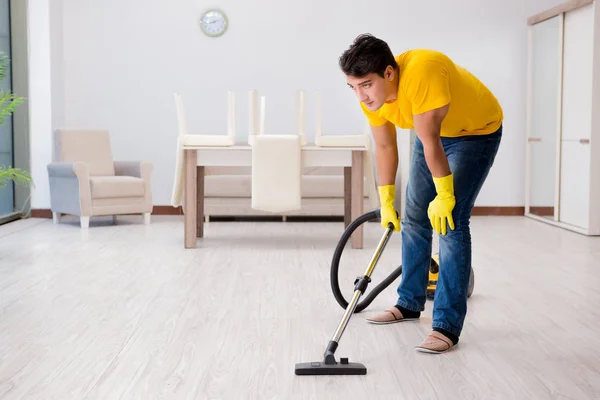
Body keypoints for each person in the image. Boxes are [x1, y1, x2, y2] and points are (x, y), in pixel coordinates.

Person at [339, 34, 503, 354]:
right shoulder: (373, 98)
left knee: (450, 221)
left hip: (475, 134)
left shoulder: (422, 71)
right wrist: (385, 200)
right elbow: (385, 146)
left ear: (389, 72)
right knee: (414, 217)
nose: (360, 95)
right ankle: (409, 303)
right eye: (353, 87)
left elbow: (430, 141)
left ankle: (446, 324)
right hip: (432, 135)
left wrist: (444, 195)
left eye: (366, 85)